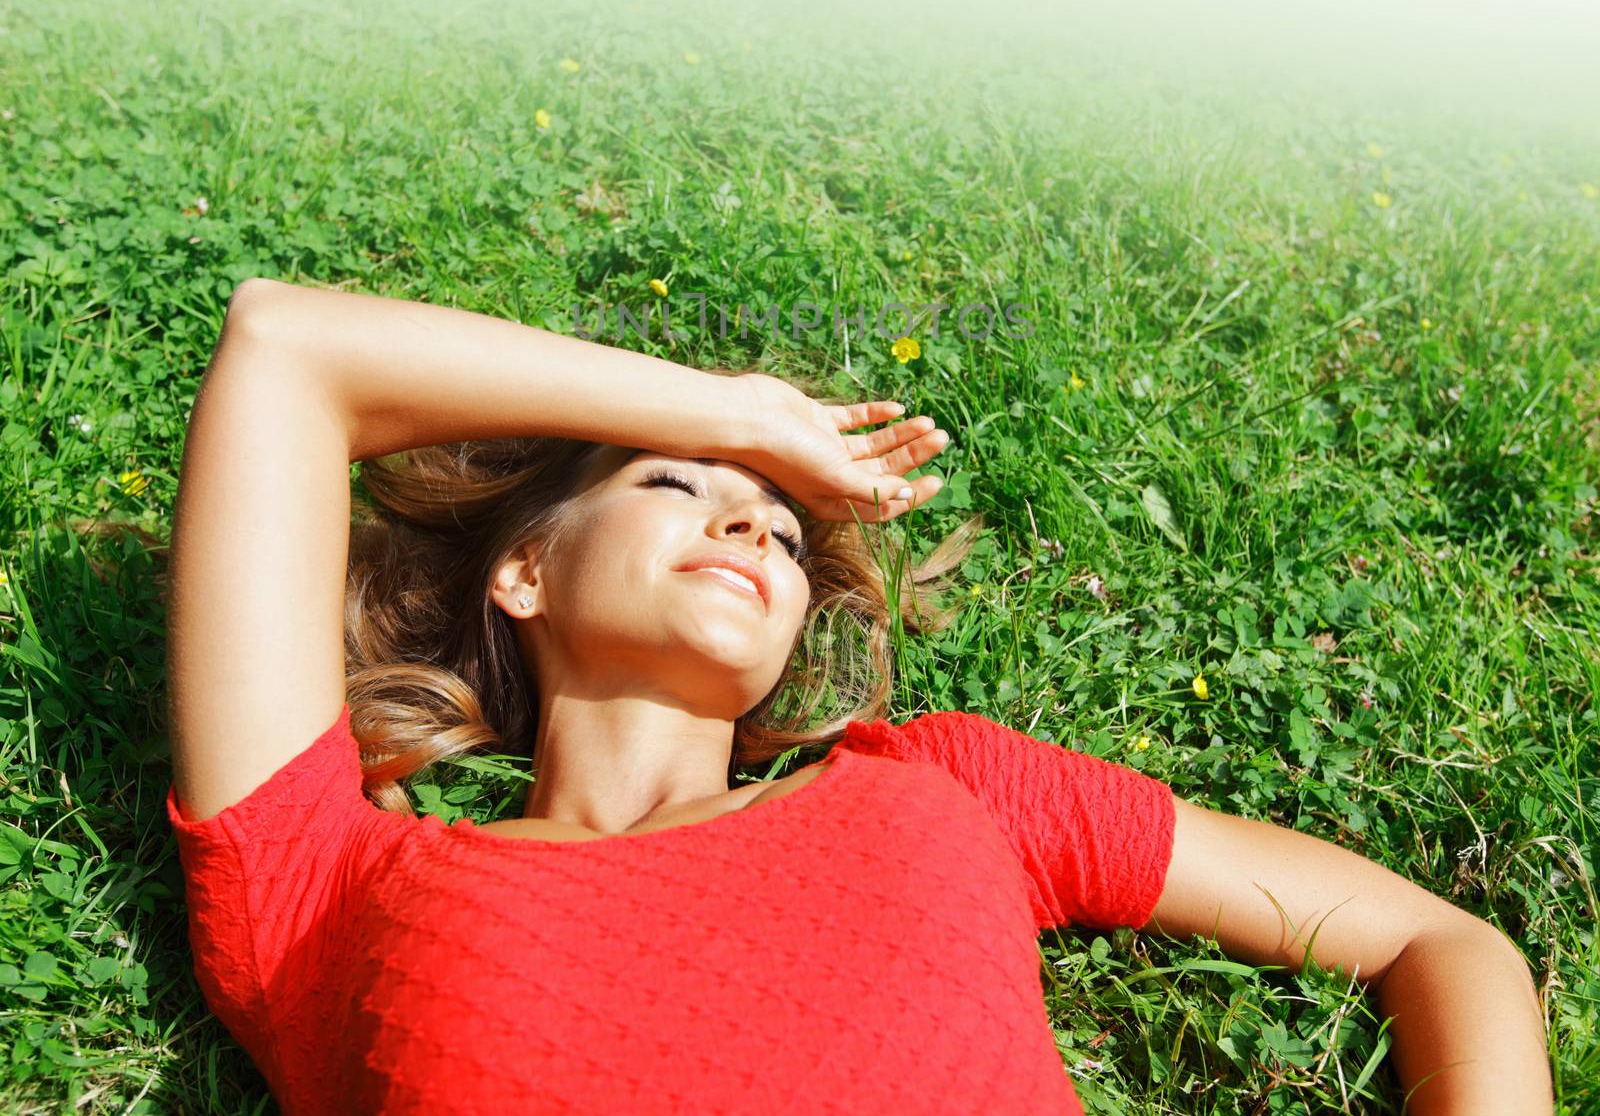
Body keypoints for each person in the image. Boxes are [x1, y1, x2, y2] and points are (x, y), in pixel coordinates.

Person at [164, 278, 1552, 1114]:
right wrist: (738, 411)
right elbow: (287, 350)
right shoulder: (324, 889)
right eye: (673, 484)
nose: (747, 526)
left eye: (775, 522)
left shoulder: (946, 789)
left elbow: (1443, 948)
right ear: (523, 571)